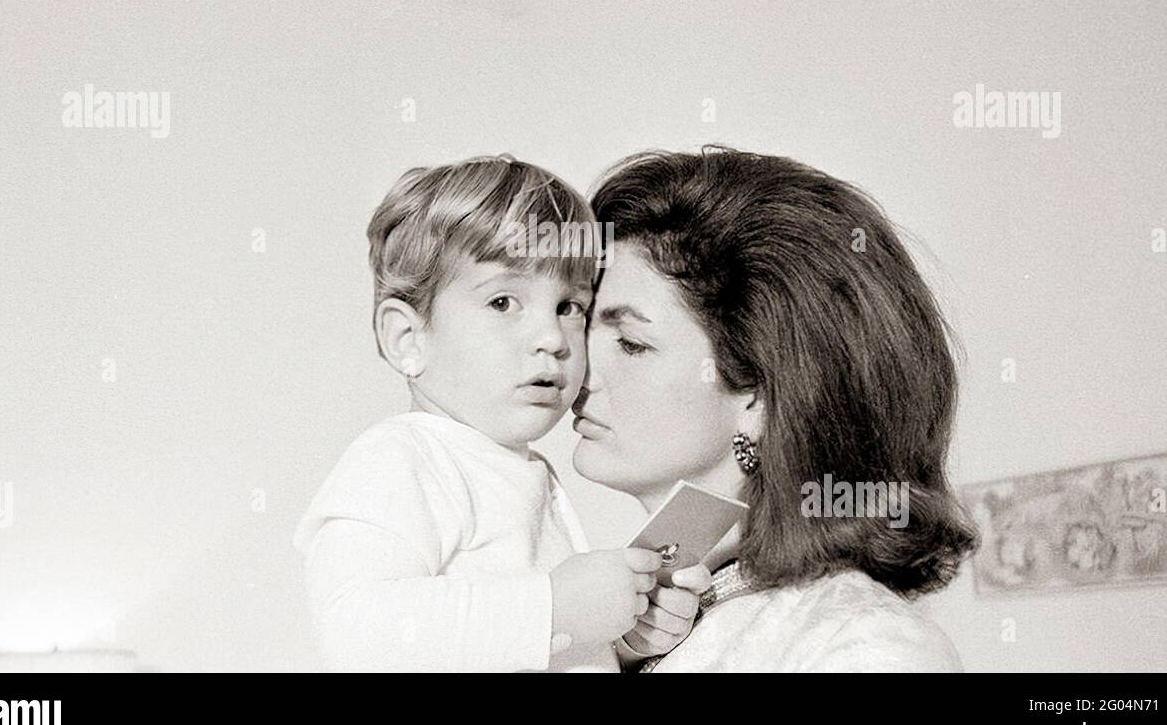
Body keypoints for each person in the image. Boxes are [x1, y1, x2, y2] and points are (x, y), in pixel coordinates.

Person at [292, 155, 706, 672]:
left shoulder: (521, 473)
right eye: (504, 302)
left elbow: (519, 651)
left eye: (569, 307)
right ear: (407, 338)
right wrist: (555, 608)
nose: (552, 339)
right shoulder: (400, 457)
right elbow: (356, 632)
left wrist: (620, 633)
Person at [572, 147, 979, 671]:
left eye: (630, 343)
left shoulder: (864, 646)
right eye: (583, 327)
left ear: (759, 398)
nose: (579, 369)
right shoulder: (630, 626)